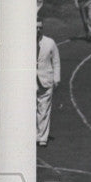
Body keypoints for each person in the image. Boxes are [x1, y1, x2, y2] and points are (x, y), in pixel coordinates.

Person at [36, 20, 60, 148]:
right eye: (35, 28)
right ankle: (35, 133)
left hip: (45, 80)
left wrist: (56, 78)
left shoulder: (50, 43)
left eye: (40, 28)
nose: (38, 30)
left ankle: (42, 138)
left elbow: (56, 61)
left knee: (44, 108)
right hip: (29, 81)